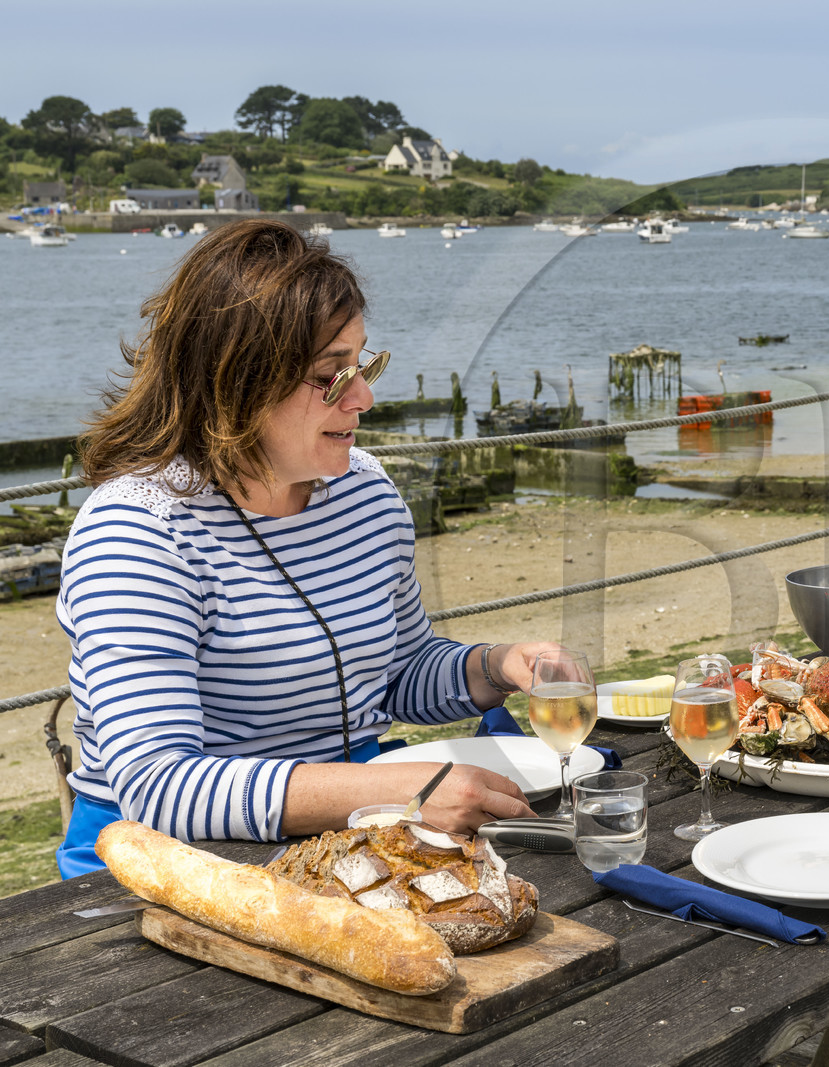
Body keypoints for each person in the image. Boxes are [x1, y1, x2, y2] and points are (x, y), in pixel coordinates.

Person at [55, 218, 558, 878]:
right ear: (234, 383)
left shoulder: (366, 493)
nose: (365, 397)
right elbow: (160, 785)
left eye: (364, 363)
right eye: (332, 375)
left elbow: (398, 674)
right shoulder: (139, 532)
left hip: (353, 838)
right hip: (159, 869)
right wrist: (401, 791)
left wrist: (497, 666)